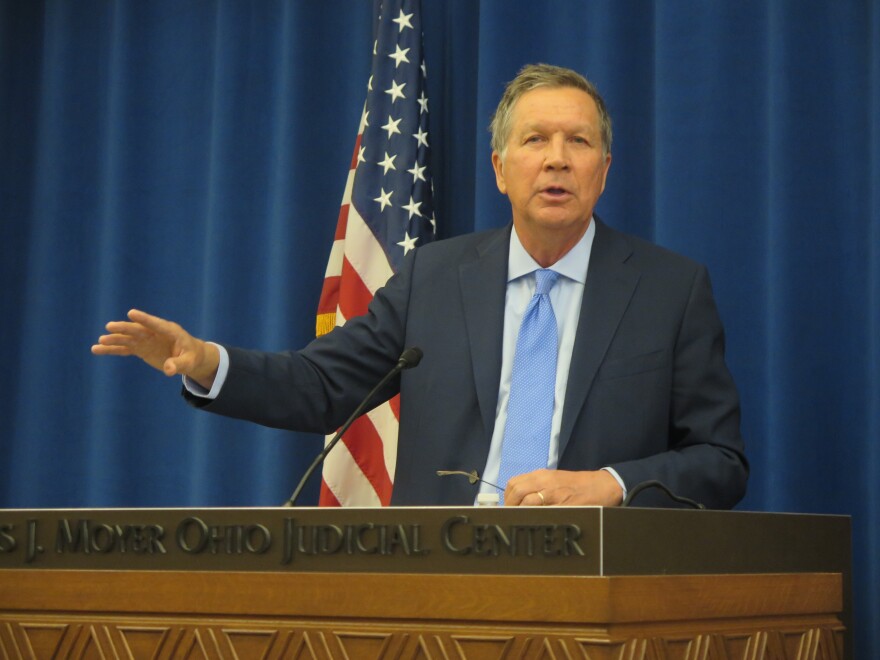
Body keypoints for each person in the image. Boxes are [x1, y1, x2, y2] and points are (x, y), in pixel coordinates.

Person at [92, 64, 748, 509]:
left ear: (603, 171)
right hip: (445, 574)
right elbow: (322, 387)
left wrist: (609, 484)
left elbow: (720, 462)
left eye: (578, 141)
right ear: (500, 167)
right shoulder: (435, 277)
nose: (556, 158)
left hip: (599, 579)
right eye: (535, 139)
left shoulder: (670, 290)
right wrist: (207, 362)